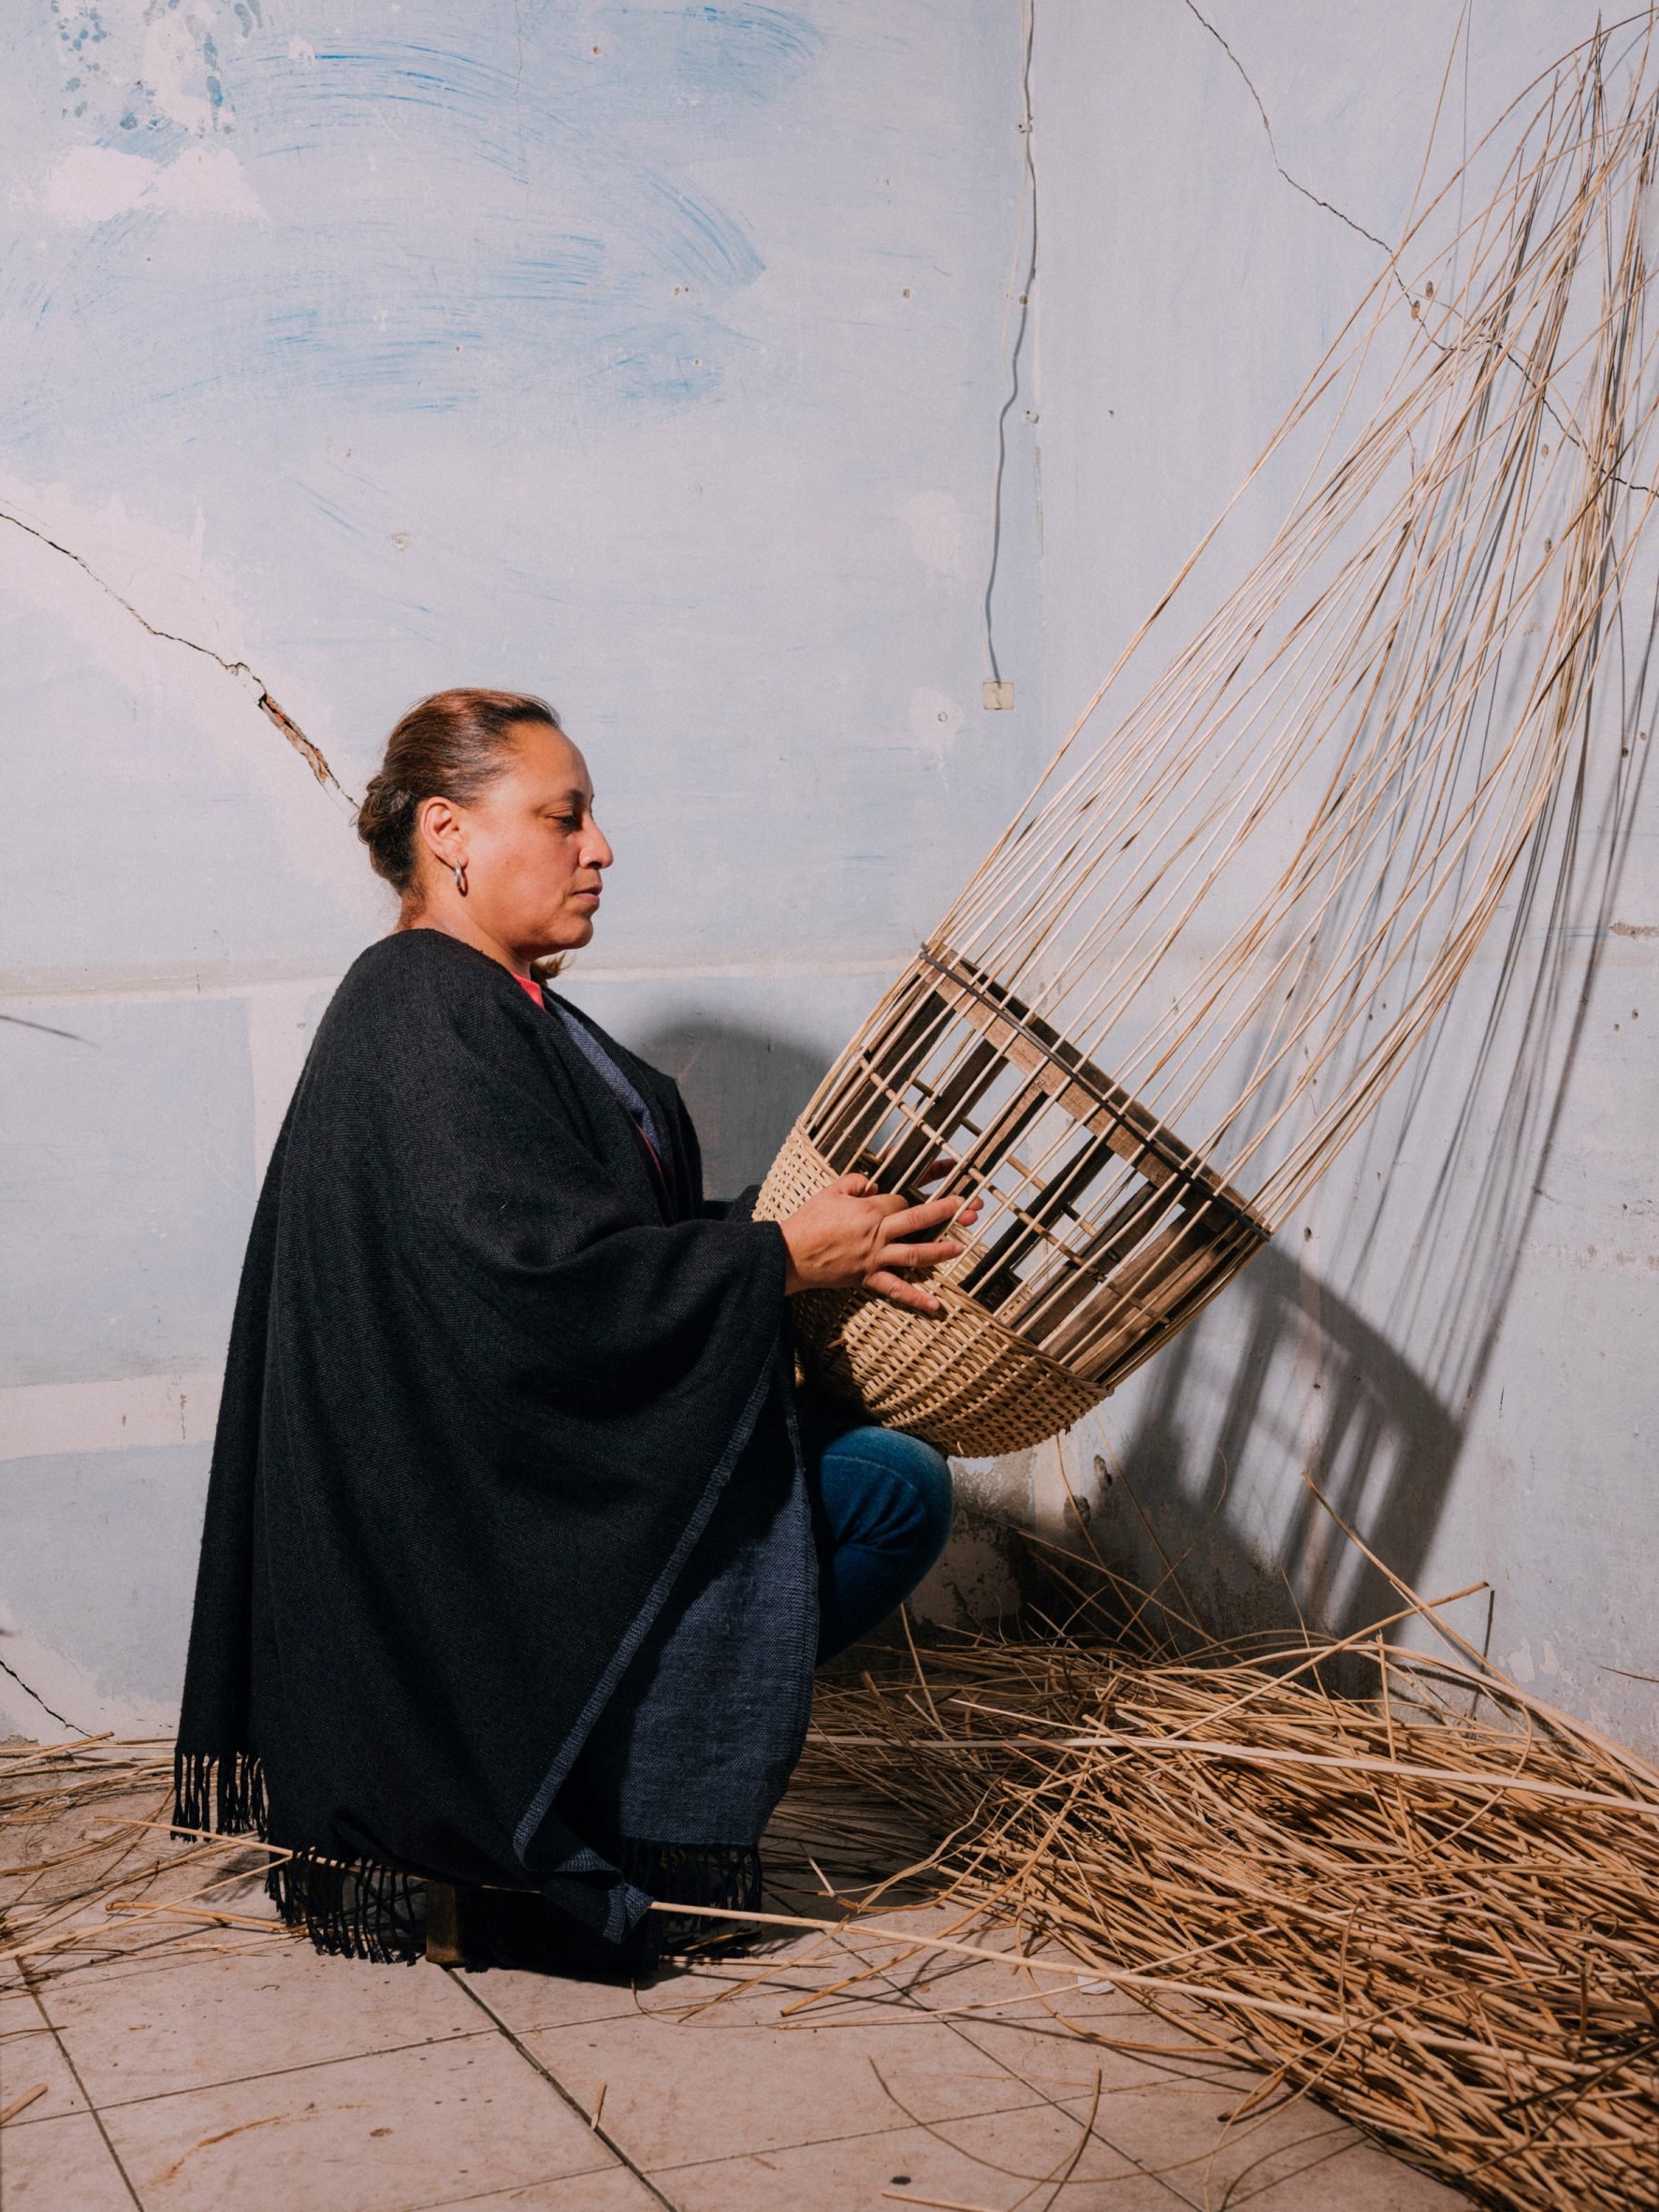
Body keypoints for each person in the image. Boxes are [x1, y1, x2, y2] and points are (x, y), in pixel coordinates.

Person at [174, 687, 977, 1972]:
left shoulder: (498, 1003)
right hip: (478, 1515)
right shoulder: (420, 1008)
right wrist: (770, 1260)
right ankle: (569, 1794)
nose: (599, 848)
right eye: (563, 816)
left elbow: (569, 1230)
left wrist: (806, 1243)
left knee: (872, 1471)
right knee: (882, 1494)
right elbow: (525, 1287)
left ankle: (597, 1768)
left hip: (520, 1469)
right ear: (450, 832)